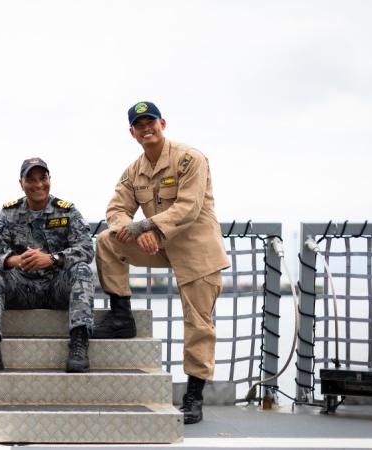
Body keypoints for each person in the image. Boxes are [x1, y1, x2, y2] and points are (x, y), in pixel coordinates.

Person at [93, 101, 230, 425]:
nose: (146, 128)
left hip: (197, 249)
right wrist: (132, 229)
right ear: (132, 132)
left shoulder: (189, 158)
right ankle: (122, 316)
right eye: (139, 125)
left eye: (150, 122)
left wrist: (144, 226)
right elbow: (115, 210)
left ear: (162, 123)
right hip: (157, 243)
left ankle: (193, 398)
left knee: (198, 324)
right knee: (106, 241)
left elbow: (188, 208)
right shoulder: (133, 171)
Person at [0, 157, 95, 373]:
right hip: (21, 288)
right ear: (21, 183)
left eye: (42, 178)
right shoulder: (8, 213)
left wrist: (52, 258)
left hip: (57, 289)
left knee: (82, 270)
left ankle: (79, 346)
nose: (38, 185)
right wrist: (15, 260)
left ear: (50, 179)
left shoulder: (66, 211)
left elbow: (86, 249)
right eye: (31, 179)